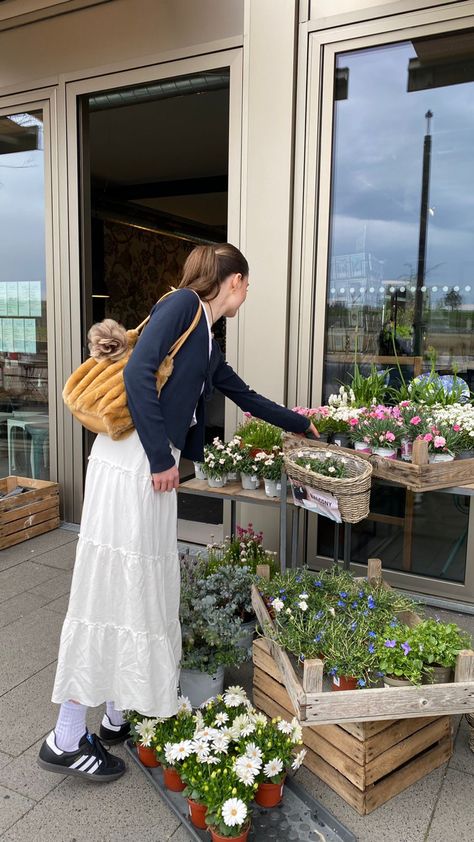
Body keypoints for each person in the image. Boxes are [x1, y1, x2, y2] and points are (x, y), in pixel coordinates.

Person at [38, 243, 316, 782]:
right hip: (132, 466)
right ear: (233, 281)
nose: (247, 295)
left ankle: (116, 712)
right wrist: (162, 455)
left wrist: (298, 423)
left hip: (146, 469)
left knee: (137, 587)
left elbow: (243, 394)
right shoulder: (183, 305)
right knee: (111, 586)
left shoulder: (205, 335)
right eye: (247, 286)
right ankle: (65, 736)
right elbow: (141, 371)